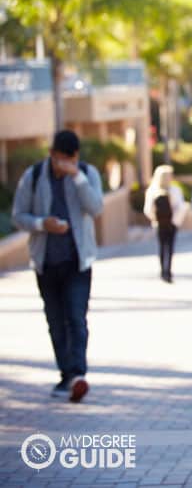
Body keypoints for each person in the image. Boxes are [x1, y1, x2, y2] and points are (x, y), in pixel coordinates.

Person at [11, 130, 104, 402]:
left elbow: (96, 208)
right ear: (52, 154)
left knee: (76, 317)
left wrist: (77, 178)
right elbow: (18, 215)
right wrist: (42, 224)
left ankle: (78, 375)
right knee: (55, 322)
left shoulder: (86, 174)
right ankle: (66, 375)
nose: (64, 164)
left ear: (76, 157)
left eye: (70, 159)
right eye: (60, 158)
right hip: (46, 262)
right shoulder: (34, 176)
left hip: (78, 261)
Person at [143, 165, 187, 283]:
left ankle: (163, 271)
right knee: (170, 247)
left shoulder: (152, 191)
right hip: (171, 224)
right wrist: (174, 221)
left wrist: (155, 219)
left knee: (162, 247)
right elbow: (181, 207)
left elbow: (148, 209)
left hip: (159, 224)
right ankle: (168, 271)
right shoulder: (174, 190)